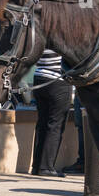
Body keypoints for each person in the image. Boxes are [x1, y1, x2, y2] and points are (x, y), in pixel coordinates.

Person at [31, 49, 73, 177]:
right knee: (55, 125)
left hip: (39, 77)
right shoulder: (62, 34)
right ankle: (46, 168)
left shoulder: (44, 34)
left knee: (42, 123)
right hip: (57, 81)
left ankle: (37, 166)